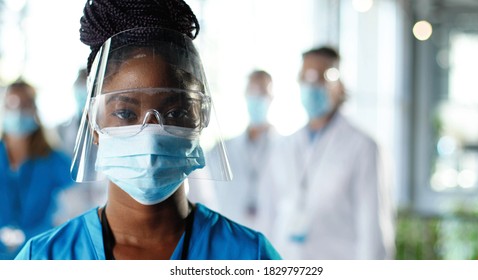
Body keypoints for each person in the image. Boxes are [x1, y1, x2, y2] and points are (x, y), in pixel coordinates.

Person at [15, 0, 281, 260]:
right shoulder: (42, 258)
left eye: (175, 113)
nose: (151, 134)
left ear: (200, 119)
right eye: (125, 113)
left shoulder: (249, 256)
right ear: (93, 125)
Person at [257, 46, 395, 259]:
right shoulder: (284, 146)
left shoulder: (363, 146)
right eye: (305, 78)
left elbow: (372, 227)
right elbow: (269, 214)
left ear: (338, 86)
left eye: (320, 79)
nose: (311, 86)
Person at [0, 81, 73, 259]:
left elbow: (73, 208)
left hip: (40, 252)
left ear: (34, 109)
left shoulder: (55, 160)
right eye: (11, 104)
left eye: (24, 105)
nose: (17, 111)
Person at [200, 70, 280, 230]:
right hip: (231, 237)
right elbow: (204, 196)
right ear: (245, 95)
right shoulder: (221, 150)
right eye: (253, 92)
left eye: (262, 92)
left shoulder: (285, 148)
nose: (257, 98)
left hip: (273, 238)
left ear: (271, 98)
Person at [54, 68, 107, 225]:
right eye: (79, 83)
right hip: (68, 214)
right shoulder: (59, 131)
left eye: (88, 83)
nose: (83, 89)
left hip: (106, 210)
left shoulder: (112, 130)